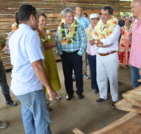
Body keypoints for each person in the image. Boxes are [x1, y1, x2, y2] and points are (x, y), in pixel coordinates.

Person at [9, 4, 57, 134]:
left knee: (28, 116)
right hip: (30, 87)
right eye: (36, 17)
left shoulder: (13, 35)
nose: (37, 20)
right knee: (42, 120)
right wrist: (49, 88)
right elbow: (36, 65)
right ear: (32, 17)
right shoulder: (31, 35)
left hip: (19, 85)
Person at [55, 7, 87, 100]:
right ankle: (69, 93)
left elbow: (84, 40)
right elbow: (57, 40)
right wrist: (60, 52)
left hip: (76, 54)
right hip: (65, 55)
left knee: (78, 74)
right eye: (69, 16)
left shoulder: (78, 26)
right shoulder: (60, 27)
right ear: (64, 17)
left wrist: (80, 52)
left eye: (72, 16)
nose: (71, 18)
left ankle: (79, 92)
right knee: (67, 75)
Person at [92, 6, 120, 108]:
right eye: (102, 14)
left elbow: (109, 41)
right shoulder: (98, 26)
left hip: (110, 56)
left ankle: (115, 99)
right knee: (100, 78)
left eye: (105, 14)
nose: (103, 17)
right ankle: (103, 95)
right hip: (99, 55)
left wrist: (98, 42)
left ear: (110, 15)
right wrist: (98, 42)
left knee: (112, 79)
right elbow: (94, 39)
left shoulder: (115, 27)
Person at [37, 13, 61, 99]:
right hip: (41, 57)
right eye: (42, 20)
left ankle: (55, 93)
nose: (44, 22)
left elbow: (54, 43)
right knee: (44, 75)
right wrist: (49, 45)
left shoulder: (48, 30)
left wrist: (47, 45)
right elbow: (40, 46)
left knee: (52, 73)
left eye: (45, 20)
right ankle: (45, 97)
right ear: (38, 21)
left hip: (50, 56)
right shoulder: (35, 32)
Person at [75, 6, 90, 79]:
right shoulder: (73, 19)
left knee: (84, 59)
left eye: (81, 10)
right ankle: (76, 73)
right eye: (78, 10)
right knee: (76, 59)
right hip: (75, 43)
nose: (79, 12)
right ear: (76, 11)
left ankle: (84, 73)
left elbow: (89, 30)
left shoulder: (86, 20)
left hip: (83, 42)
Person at [86, 13, 100, 93]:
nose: (94, 21)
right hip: (90, 54)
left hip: (99, 54)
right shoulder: (87, 30)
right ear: (90, 20)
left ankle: (102, 86)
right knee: (92, 71)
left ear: (98, 20)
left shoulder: (101, 30)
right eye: (92, 19)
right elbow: (85, 42)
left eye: (96, 19)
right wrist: (87, 51)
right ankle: (94, 86)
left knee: (100, 71)